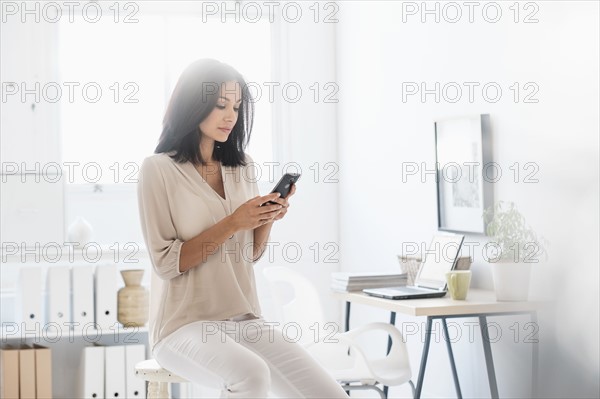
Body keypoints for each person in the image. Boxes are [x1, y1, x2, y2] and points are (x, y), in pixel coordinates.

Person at [137, 58, 349, 398]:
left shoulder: (243, 167)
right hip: (182, 325)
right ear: (194, 105)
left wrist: (265, 219)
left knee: (331, 394)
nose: (230, 116)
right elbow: (166, 262)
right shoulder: (157, 170)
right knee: (250, 374)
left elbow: (248, 254)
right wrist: (234, 221)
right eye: (220, 105)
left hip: (243, 318)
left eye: (236, 107)